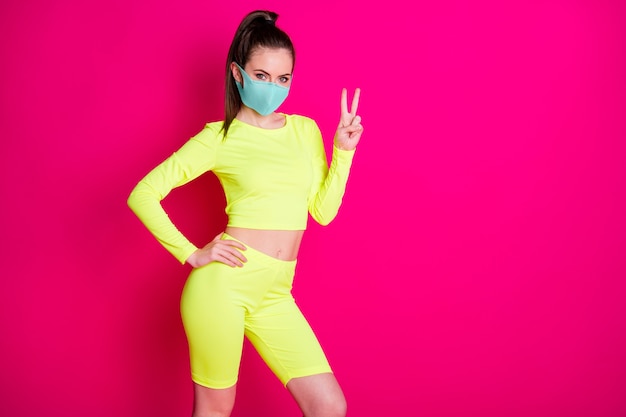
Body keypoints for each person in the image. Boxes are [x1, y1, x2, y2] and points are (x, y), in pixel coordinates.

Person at [127, 9, 363, 417]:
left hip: (275, 293)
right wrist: (191, 253)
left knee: (329, 406)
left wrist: (343, 152)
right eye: (262, 76)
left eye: (283, 79)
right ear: (238, 74)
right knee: (216, 411)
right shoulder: (218, 139)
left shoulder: (305, 131)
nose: (274, 87)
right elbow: (143, 194)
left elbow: (321, 212)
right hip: (224, 288)